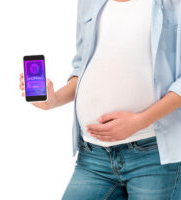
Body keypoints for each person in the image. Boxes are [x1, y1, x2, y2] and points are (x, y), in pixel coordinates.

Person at [19, 0, 181, 199]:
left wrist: (140, 121)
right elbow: (82, 65)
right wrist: (53, 99)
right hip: (93, 155)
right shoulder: (88, 2)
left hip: (153, 155)